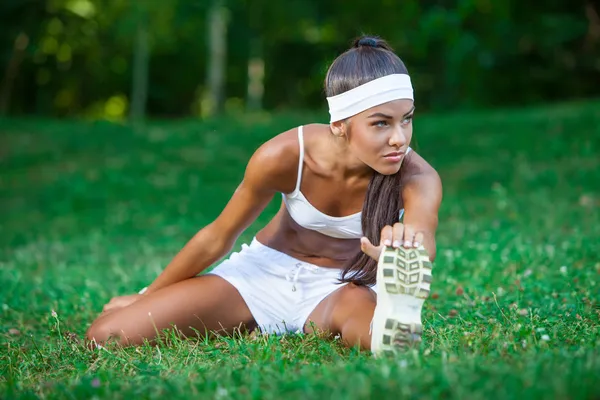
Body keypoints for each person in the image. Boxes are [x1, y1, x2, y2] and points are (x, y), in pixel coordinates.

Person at [86, 35, 442, 356]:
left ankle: (393, 319)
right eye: (381, 123)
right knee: (106, 335)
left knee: (376, 333)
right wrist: (149, 295)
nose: (400, 138)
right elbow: (218, 236)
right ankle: (252, 319)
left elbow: (422, 236)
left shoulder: (417, 176)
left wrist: (403, 253)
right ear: (339, 125)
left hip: (341, 288)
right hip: (261, 276)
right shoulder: (286, 155)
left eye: (406, 119)